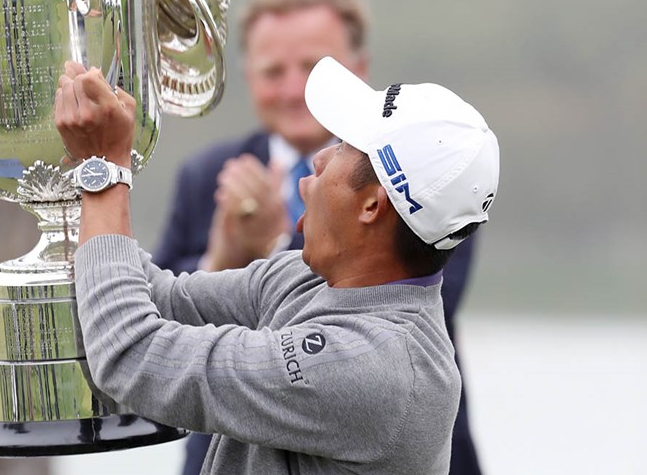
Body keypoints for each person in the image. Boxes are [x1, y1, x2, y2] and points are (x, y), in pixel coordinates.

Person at [53, 56, 500, 475]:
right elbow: (156, 300)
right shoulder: (309, 277)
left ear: (371, 205)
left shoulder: (376, 369)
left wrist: (107, 169)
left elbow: (131, 355)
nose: (320, 157)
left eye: (343, 146)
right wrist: (90, 168)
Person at [153, 0, 484, 475]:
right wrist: (223, 261)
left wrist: (273, 246)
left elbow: (385, 302)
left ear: (361, 70)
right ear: (247, 77)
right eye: (272, 71)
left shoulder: (431, 178)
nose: (291, 89)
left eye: (310, 68)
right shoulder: (207, 174)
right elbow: (160, 301)